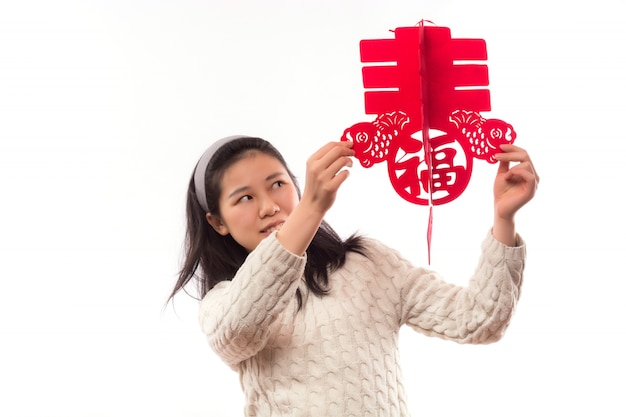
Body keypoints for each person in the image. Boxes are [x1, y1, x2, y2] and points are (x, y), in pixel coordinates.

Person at [167, 135, 539, 417]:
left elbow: (480, 320)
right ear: (216, 222)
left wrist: (504, 218)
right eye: (244, 198)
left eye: (278, 184)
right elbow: (240, 326)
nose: (269, 206)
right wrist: (311, 209)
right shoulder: (222, 302)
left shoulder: (368, 263)